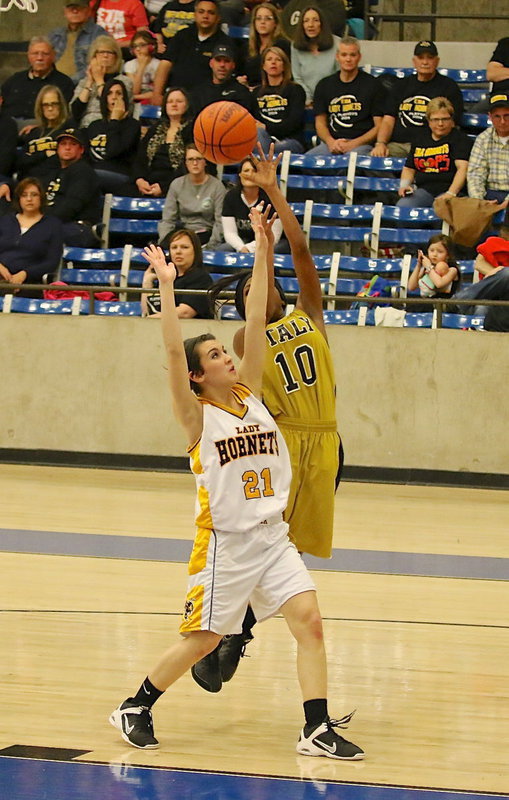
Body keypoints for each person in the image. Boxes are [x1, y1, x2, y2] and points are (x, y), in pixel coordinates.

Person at [109, 204, 364, 763]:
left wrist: (264, 245)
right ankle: (136, 704)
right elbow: (172, 351)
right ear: (198, 375)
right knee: (202, 639)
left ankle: (316, 727)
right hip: (226, 543)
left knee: (310, 623)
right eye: (215, 355)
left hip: (272, 536)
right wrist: (167, 287)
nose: (227, 356)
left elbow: (255, 310)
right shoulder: (197, 416)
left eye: (225, 350)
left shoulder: (251, 390)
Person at [193, 144, 344, 692]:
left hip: (325, 441)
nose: (266, 287)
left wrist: (276, 192)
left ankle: (240, 627)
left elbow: (300, 251)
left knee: (293, 549)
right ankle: (236, 630)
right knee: (275, 542)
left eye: (266, 281)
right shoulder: (244, 338)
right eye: (253, 289)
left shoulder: (310, 313)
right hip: (284, 444)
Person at [371, 41, 464, 158]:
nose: (425, 62)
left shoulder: (449, 86)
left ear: (437, 61)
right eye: (421, 58)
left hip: (432, 147)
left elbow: (452, 123)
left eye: (430, 58)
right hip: (399, 145)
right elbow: (388, 120)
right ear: (414, 61)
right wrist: (381, 143)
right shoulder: (401, 85)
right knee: (373, 158)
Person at [309, 35, 384, 155]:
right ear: (337, 57)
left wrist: (353, 144)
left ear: (359, 57)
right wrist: (330, 142)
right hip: (331, 144)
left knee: (350, 160)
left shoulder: (373, 84)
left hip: (361, 145)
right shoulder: (324, 85)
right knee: (306, 160)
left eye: (352, 55)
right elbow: (320, 123)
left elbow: (379, 126)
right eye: (344, 55)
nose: (348, 59)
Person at [151, 0, 236, 102]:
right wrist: (157, 94)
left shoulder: (225, 43)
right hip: (176, 96)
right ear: (195, 15)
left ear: (218, 18)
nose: (205, 16)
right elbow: (165, 65)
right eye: (201, 12)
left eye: (211, 13)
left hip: (207, 99)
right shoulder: (181, 36)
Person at [396, 97, 472, 209]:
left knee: (443, 208)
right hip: (424, 191)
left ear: (452, 121)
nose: (440, 124)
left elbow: (463, 169)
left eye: (445, 119)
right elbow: (409, 168)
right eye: (435, 119)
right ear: (429, 121)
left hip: (450, 191)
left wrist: (451, 193)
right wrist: (405, 186)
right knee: (404, 205)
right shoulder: (420, 139)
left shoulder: (460, 139)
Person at [37, 127, 102, 247]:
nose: (67, 148)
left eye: (73, 144)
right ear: (57, 149)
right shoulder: (52, 171)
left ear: (81, 149)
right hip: (53, 223)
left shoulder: (83, 172)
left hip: (78, 227)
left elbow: (71, 206)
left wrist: (42, 222)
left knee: (37, 235)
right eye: (63, 144)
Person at [158, 144, 225, 248]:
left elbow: (220, 222)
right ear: (186, 163)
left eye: (198, 159)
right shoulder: (176, 184)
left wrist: (210, 246)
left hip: (206, 234)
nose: (195, 163)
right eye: (190, 159)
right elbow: (168, 220)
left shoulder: (217, 186)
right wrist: (166, 241)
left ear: (205, 162)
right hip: (183, 233)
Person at [130, 86, 193, 197]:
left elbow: (188, 166)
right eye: (170, 102)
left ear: (187, 105)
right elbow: (140, 158)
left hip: (177, 183)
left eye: (179, 101)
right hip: (148, 181)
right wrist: (140, 180)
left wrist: (164, 187)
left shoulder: (192, 130)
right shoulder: (155, 129)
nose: (174, 104)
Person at [0, 178, 63, 287]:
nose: (29, 199)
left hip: (31, 282)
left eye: (34, 195)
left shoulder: (53, 225)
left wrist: (25, 274)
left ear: (41, 198)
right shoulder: (5, 220)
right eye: (24, 195)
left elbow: (52, 262)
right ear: (19, 199)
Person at [453, 210, 509, 332]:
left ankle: (460, 300)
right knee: (482, 308)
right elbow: (479, 263)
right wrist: (498, 273)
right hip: (492, 296)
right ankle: (459, 302)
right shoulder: (496, 243)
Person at [0, 37, 74, 127]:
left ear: (53, 56)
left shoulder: (63, 83)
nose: (39, 58)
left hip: (40, 127)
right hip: (7, 125)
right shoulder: (15, 79)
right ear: (28, 56)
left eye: (45, 54)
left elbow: (63, 116)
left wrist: (40, 126)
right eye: (35, 53)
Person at [141, 227, 213, 316]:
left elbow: (185, 313)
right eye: (174, 247)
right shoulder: (168, 277)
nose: (178, 251)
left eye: (184, 247)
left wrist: (151, 319)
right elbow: (146, 312)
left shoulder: (201, 278)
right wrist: (147, 281)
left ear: (195, 251)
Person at [219, 156, 285, 253]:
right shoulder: (231, 196)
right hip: (242, 242)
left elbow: (274, 235)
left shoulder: (272, 197)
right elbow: (230, 232)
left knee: (273, 250)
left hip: (270, 241)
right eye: (246, 171)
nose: (250, 174)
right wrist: (241, 248)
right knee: (224, 249)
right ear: (240, 175)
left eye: (254, 171)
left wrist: (249, 249)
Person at [86, 77, 141, 192]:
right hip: (94, 173)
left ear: (124, 99)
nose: (114, 97)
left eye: (118, 93)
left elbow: (113, 151)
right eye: (109, 93)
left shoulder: (132, 125)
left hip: (119, 174)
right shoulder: (94, 126)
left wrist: (115, 120)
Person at [70, 36, 132, 127]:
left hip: (110, 126)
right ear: (94, 57)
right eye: (101, 52)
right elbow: (75, 112)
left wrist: (99, 80)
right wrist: (89, 82)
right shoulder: (84, 82)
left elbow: (114, 107)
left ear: (116, 57)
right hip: (85, 127)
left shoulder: (124, 81)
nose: (105, 56)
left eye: (109, 52)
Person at [254, 46, 306, 155]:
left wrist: (266, 127)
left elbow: (293, 123)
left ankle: (263, 163)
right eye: (269, 59)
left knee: (274, 148)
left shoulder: (295, 90)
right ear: (263, 66)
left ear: (284, 66)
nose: (273, 62)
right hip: (264, 139)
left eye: (278, 59)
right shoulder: (256, 92)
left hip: (290, 140)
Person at [17, 86, 74, 180]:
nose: (50, 108)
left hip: (54, 180)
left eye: (54, 104)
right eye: (45, 105)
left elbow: (61, 162)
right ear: (40, 107)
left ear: (61, 105)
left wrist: (34, 158)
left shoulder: (68, 131)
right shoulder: (33, 132)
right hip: (28, 181)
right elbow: (20, 163)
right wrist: (45, 154)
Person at [290, 6, 341, 107]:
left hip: (333, 99)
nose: (310, 25)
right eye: (306, 21)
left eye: (315, 20)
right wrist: (308, 99)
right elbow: (297, 77)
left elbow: (340, 75)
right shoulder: (295, 46)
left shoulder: (338, 43)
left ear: (322, 24)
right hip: (306, 102)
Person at [48, 0, 109, 85]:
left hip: (81, 85)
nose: (75, 11)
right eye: (71, 8)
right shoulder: (55, 34)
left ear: (88, 11)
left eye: (79, 8)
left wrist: (66, 83)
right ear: (65, 12)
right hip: (51, 84)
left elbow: (99, 66)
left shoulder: (98, 34)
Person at [190, 43, 255, 118]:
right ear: (211, 63)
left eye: (227, 61)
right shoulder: (199, 92)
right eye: (218, 60)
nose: (222, 65)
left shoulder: (241, 92)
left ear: (233, 65)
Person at [467, 93, 509, 204]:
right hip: (490, 194)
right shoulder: (483, 139)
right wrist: (479, 201)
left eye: (506, 116)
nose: (502, 121)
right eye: (497, 116)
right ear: (490, 117)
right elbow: (475, 175)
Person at [237, 3, 290, 90]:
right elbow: (240, 73)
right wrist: (242, 81)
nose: (262, 22)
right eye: (258, 18)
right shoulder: (246, 48)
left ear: (276, 23)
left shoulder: (283, 45)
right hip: (250, 92)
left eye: (268, 19)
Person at [407, 234, 460, 309]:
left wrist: (429, 267)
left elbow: (439, 284)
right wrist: (419, 265)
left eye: (440, 252)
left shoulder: (452, 270)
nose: (434, 254)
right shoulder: (427, 267)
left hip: (444, 305)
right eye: (431, 250)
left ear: (448, 255)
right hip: (427, 303)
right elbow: (411, 287)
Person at [122, 30, 160, 103]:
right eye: (135, 46)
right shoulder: (129, 64)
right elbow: (135, 91)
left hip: (152, 99)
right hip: (136, 99)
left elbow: (156, 93)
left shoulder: (158, 64)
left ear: (152, 46)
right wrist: (142, 66)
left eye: (142, 45)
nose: (138, 49)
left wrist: (133, 97)